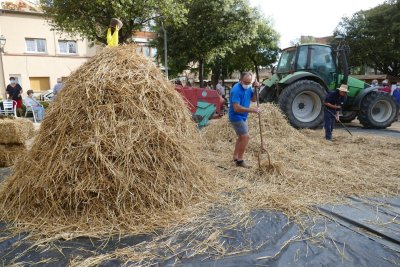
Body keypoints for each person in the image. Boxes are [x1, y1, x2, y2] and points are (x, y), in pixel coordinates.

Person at [229, 72, 260, 168]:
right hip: (236, 116)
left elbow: (254, 99)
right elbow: (236, 108)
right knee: (245, 137)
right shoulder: (236, 90)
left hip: (243, 116)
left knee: (241, 137)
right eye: (245, 82)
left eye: (249, 83)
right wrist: (252, 110)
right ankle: (240, 160)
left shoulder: (249, 88)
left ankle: (235, 156)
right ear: (240, 80)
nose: (247, 85)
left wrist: (255, 89)